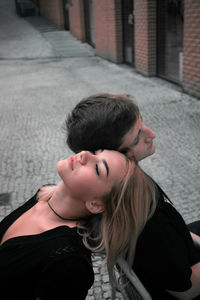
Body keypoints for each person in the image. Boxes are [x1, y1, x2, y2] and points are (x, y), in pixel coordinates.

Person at [65, 93, 200, 300]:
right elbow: (187, 290)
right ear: (111, 155)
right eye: (138, 137)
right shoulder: (148, 220)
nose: (152, 134)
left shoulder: (124, 196)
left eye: (143, 124)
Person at [0, 149, 154, 300]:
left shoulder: (69, 264)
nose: (85, 154)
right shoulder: (43, 194)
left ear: (95, 204)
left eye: (97, 168)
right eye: (96, 154)